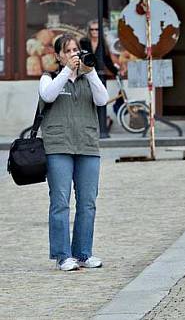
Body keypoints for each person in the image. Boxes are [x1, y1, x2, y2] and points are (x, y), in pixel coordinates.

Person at [39, 33, 109, 271]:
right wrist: (66, 71)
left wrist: (90, 72)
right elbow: (48, 95)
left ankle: (83, 252)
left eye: (75, 50)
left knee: (88, 202)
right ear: (58, 56)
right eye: (67, 51)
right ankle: (62, 255)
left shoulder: (88, 78)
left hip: (87, 145)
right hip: (58, 146)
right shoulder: (48, 78)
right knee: (60, 202)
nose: (73, 55)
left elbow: (102, 100)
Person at [80, 19, 119, 139]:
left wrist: (116, 72)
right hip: (87, 75)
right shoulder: (84, 42)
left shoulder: (103, 43)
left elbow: (107, 60)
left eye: (97, 29)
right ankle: (92, 125)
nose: (94, 32)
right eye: (92, 29)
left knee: (100, 101)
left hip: (100, 77)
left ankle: (103, 123)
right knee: (87, 101)